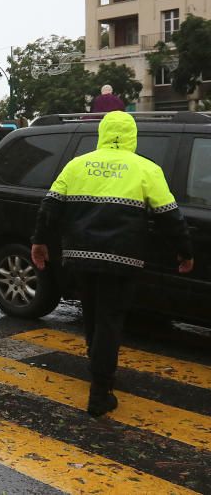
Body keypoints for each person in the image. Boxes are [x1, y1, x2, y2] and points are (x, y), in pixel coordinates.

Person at [30, 112, 193, 417]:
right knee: (109, 321)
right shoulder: (147, 168)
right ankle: (100, 393)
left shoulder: (77, 164)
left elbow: (48, 208)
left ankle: (97, 366)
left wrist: (38, 243)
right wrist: (184, 252)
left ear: (102, 133)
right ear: (132, 136)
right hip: (122, 260)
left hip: (79, 257)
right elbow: (171, 217)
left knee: (91, 315)